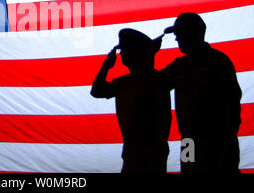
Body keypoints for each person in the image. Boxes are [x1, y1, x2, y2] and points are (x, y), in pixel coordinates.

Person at [161, 12, 242, 173]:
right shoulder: (180, 65)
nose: (176, 39)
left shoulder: (218, 62)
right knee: (189, 170)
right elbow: (153, 84)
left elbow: (232, 104)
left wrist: (226, 142)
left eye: (180, 34)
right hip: (189, 141)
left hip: (219, 141)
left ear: (194, 33)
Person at [91, 28, 171, 173]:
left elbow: (97, 90)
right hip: (144, 153)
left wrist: (106, 67)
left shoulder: (140, 81)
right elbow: (96, 91)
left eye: (125, 50)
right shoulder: (153, 79)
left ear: (135, 53)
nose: (121, 54)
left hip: (145, 155)